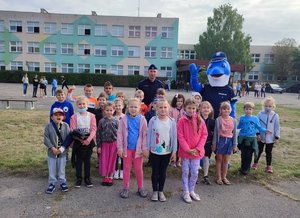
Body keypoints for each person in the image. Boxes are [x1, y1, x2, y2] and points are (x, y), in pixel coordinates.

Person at [177, 98, 208, 203]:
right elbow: (180, 136)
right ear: (185, 108)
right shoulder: (181, 121)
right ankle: (185, 191)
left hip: (197, 152)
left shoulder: (200, 120)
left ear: (196, 108)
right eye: (189, 108)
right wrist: (187, 149)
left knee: (195, 172)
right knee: (185, 171)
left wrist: (198, 148)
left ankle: (191, 190)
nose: (191, 110)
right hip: (186, 152)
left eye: (193, 108)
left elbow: (204, 135)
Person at [117, 98, 149, 199]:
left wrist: (144, 148)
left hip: (138, 150)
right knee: (126, 169)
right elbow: (120, 135)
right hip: (127, 149)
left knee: (139, 169)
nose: (133, 109)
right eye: (131, 107)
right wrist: (120, 148)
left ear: (139, 108)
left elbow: (145, 135)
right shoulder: (123, 119)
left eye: (135, 107)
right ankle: (125, 188)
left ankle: (140, 187)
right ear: (127, 108)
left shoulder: (142, 119)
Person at [147, 99, 177, 202]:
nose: (163, 109)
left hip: (167, 152)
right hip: (155, 151)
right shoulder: (153, 120)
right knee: (155, 171)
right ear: (156, 108)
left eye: (165, 107)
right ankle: (155, 191)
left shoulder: (172, 121)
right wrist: (148, 148)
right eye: (160, 107)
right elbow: (149, 135)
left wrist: (174, 151)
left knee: (163, 171)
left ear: (168, 108)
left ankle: (161, 191)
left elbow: (174, 137)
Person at [70, 96, 97, 188]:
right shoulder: (74, 117)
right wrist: (81, 139)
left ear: (87, 104)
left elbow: (93, 129)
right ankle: (79, 178)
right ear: (77, 105)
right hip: (78, 142)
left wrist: (88, 140)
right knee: (79, 161)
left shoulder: (92, 116)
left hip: (88, 142)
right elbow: (73, 129)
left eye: (83, 104)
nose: (82, 106)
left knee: (87, 161)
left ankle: (87, 178)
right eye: (80, 104)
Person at [237, 102, 270, 175]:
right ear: (244, 109)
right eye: (246, 109)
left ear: (253, 110)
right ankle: (242, 167)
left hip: (251, 139)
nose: (248, 110)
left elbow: (259, 127)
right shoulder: (242, 118)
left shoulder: (255, 118)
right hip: (243, 138)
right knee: (243, 154)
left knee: (249, 154)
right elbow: (238, 126)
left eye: (250, 109)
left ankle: (247, 169)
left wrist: (265, 130)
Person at [44, 108, 70, 194]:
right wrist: (52, 148)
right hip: (52, 153)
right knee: (52, 169)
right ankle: (52, 183)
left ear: (63, 117)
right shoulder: (48, 126)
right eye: (56, 115)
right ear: (52, 117)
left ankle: (62, 182)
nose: (58, 116)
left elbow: (68, 139)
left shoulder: (66, 126)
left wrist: (62, 149)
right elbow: (46, 139)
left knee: (61, 169)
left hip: (62, 153)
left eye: (60, 115)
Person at [252, 97, 280, 173]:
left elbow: (277, 127)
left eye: (270, 106)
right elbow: (257, 125)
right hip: (261, 136)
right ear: (263, 106)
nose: (268, 108)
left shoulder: (275, 116)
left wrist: (276, 136)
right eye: (266, 106)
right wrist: (258, 134)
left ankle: (268, 166)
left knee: (269, 152)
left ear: (273, 106)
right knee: (259, 150)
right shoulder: (260, 114)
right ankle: (255, 163)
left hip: (270, 138)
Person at [212, 101, 237, 185]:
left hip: (229, 141)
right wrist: (214, 144)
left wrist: (234, 145)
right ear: (220, 110)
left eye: (228, 109)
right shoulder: (218, 120)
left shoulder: (233, 120)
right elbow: (216, 133)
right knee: (219, 159)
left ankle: (224, 177)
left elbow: (235, 134)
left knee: (226, 160)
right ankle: (218, 177)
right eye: (224, 109)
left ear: (230, 110)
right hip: (221, 141)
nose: (226, 110)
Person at [97, 102, 119, 186]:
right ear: (104, 111)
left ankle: (110, 176)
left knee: (112, 161)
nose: (109, 112)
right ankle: (105, 176)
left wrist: (119, 146)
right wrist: (99, 146)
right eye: (107, 110)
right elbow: (98, 133)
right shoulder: (101, 121)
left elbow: (119, 134)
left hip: (114, 144)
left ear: (114, 110)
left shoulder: (116, 121)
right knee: (104, 161)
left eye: (111, 110)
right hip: (104, 144)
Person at [199, 101, 215, 185]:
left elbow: (214, 133)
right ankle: (195, 174)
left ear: (210, 110)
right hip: (198, 143)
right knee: (196, 159)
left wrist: (213, 143)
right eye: (204, 107)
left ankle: (205, 175)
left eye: (207, 108)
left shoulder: (212, 121)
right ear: (200, 109)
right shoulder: (197, 120)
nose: (206, 109)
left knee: (206, 158)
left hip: (208, 142)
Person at [169, 93, 185, 167]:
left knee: (180, 146)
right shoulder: (171, 109)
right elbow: (170, 119)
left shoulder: (184, 110)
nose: (179, 103)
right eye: (178, 101)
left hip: (181, 131)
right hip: (173, 130)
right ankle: (172, 160)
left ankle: (178, 160)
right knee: (173, 145)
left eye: (181, 101)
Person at [113, 98, 125, 180]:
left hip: (124, 140)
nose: (118, 107)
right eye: (116, 106)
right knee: (116, 156)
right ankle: (116, 170)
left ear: (123, 106)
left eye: (119, 105)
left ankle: (123, 171)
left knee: (123, 156)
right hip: (115, 140)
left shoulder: (125, 117)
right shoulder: (113, 117)